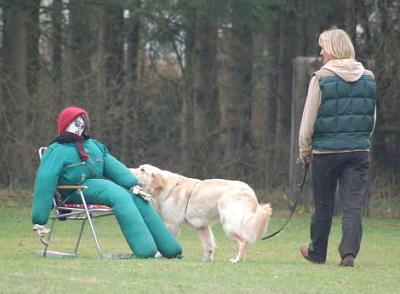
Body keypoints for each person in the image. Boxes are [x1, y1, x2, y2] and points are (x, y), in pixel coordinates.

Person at [32, 106, 183, 259]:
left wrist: (132, 184)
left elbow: (114, 168)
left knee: (136, 197)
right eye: (75, 123)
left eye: (82, 123)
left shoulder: (93, 146)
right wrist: (40, 218)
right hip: (74, 192)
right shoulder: (57, 150)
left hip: (96, 188)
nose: (79, 127)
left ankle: (171, 249)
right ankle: (146, 250)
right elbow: (45, 180)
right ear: (65, 125)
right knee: (118, 195)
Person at [297, 28, 377, 267]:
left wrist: (304, 149)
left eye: (323, 47)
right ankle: (348, 254)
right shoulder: (369, 77)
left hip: (326, 152)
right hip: (359, 150)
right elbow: (371, 118)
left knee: (323, 204)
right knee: (352, 205)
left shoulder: (321, 78)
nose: (321, 52)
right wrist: (361, 140)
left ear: (333, 49)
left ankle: (317, 252)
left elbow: (308, 119)